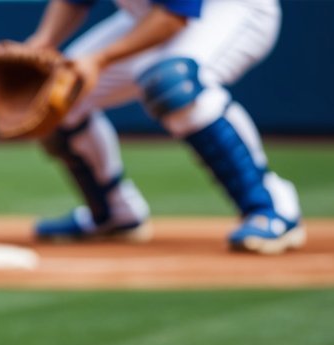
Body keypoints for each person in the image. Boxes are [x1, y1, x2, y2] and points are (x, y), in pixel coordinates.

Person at [25, 0, 303, 253]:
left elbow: (173, 17)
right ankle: (113, 215)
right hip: (150, 16)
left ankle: (271, 206)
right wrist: (43, 41)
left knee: (175, 83)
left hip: (233, 9)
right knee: (55, 94)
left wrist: (99, 60)